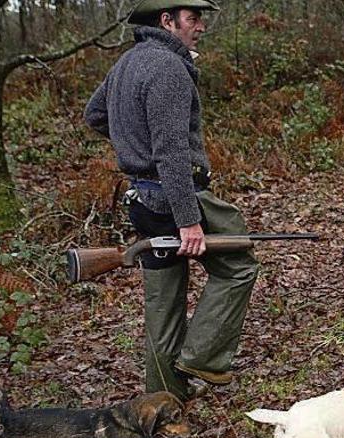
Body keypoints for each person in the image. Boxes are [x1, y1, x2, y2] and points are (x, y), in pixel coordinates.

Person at [84, 0, 259, 401]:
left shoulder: (126, 63)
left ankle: (162, 403)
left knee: (162, 309)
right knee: (239, 265)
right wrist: (188, 219)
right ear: (168, 21)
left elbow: (94, 115)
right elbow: (171, 153)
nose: (200, 27)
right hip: (176, 198)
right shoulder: (168, 68)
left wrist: (133, 148)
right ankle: (200, 357)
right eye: (193, 19)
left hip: (142, 200)